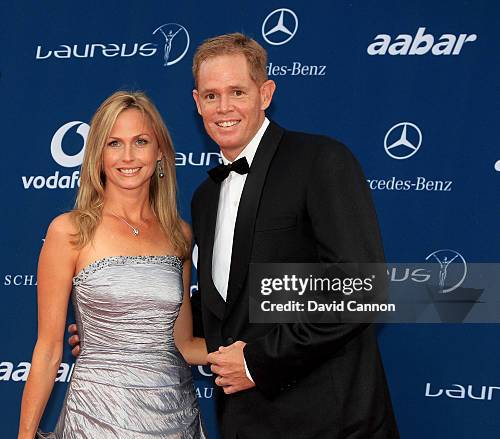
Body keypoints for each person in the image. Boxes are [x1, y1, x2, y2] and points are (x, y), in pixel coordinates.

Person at [70, 33, 400, 438]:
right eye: (211, 96)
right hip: (246, 422)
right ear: (197, 103)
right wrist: (123, 330)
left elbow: (361, 289)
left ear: (265, 93)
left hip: (329, 422)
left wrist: (258, 361)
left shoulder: (320, 161)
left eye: (237, 92)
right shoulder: (205, 198)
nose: (223, 108)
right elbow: (231, 305)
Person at [18, 91, 208, 439]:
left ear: (160, 151)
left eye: (140, 141)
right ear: (98, 155)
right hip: (95, 419)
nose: (128, 156)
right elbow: (47, 349)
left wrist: (255, 351)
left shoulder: (179, 235)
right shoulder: (69, 230)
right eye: (114, 144)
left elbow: (182, 344)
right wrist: (24, 436)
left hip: (174, 420)